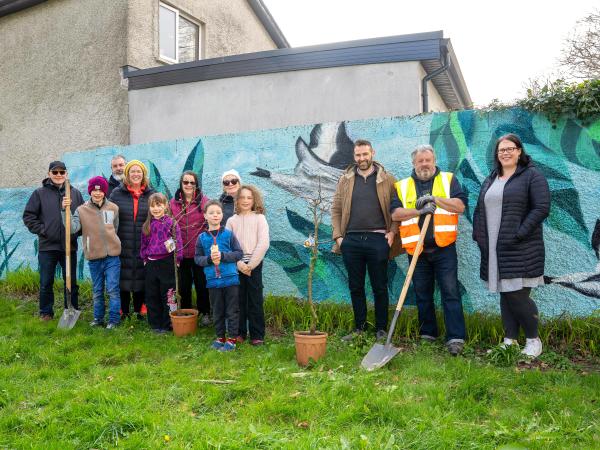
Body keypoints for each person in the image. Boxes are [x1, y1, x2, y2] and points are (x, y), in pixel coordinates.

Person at [472, 134, 550, 358]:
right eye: (501, 150)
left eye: (510, 148)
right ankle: (510, 341)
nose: (505, 153)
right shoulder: (491, 178)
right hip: (494, 250)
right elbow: (479, 210)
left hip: (520, 248)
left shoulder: (531, 176)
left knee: (517, 295)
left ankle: (534, 340)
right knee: (505, 294)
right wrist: (479, 236)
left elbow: (541, 208)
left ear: (519, 151)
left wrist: (520, 233)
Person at [390, 144, 467, 356]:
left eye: (428, 160)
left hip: (444, 248)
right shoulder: (402, 186)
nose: (424, 164)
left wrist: (435, 200)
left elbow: (460, 206)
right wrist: (418, 209)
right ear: (414, 163)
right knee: (422, 293)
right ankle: (428, 334)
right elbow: (395, 214)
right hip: (417, 250)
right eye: (420, 161)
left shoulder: (448, 180)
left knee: (450, 292)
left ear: (434, 160)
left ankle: (455, 337)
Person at [331, 139, 401, 342]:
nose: (362, 158)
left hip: (378, 239)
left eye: (365, 154)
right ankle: (359, 329)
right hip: (351, 240)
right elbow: (336, 209)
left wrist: (392, 233)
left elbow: (396, 209)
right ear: (354, 157)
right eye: (358, 155)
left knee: (380, 286)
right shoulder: (345, 179)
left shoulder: (387, 179)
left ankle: (381, 329)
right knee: (355, 286)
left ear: (372, 153)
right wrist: (338, 237)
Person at [23, 161, 84, 321]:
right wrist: (44, 231)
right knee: (46, 281)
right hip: (47, 247)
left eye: (61, 172)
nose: (58, 175)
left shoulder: (75, 193)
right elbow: (29, 216)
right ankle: (46, 312)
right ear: (49, 173)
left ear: (66, 174)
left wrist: (77, 233)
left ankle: (71, 311)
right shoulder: (39, 194)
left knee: (71, 282)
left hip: (69, 246)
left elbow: (83, 216)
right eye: (55, 172)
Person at [65, 176, 121, 329]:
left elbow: (115, 228)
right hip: (94, 257)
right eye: (94, 191)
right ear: (90, 191)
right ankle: (98, 319)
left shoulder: (113, 208)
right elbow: (72, 228)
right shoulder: (81, 210)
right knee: (97, 290)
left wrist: (111, 243)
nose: (98, 193)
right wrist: (66, 211)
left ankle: (114, 320)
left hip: (112, 257)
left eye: (101, 190)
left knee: (113, 289)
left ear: (104, 191)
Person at [109, 160, 156, 320]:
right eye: (132, 171)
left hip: (144, 242)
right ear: (127, 174)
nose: (136, 174)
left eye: (139, 171)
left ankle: (139, 308)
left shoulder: (151, 194)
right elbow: (109, 216)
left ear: (143, 175)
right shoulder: (117, 193)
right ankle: (123, 310)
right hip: (123, 240)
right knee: (123, 274)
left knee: (141, 274)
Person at [195, 201, 243, 351]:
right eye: (211, 213)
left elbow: (238, 253)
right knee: (217, 310)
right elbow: (197, 258)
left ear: (222, 215)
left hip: (230, 280)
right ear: (205, 216)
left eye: (218, 212)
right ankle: (220, 337)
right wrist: (209, 259)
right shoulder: (202, 238)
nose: (215, 215)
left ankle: (232, 339)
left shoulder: (228, 235)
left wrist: (223, 256)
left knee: (232, 310)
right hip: (213, 281)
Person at [226, 185, 270, 345]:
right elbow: (226, 245)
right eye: (242, 197)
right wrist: (239, 264)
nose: (245, 200)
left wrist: (250, 265)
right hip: (236, 265)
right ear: (237, 200)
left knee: (255, 299)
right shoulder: (231, 221)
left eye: (249, 198)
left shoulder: (260, 218)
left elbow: (263, 243)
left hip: (254, 265)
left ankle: (257, 334)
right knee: (237, 300)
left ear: (254, 200)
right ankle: (239, 332)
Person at [169, 171, 211, 324]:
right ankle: (187, 313)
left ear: (196, 185)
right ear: (181, 184)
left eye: (192, 183)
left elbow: (209, 225)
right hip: (180, 253)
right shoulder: (172, 203)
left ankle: (205, 312)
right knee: (184, 286)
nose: (188, 185)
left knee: (202, 284)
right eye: (185, 182)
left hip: (199, 253)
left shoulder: (204, 202)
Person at [140, 193, 183, 333]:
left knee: (169, 294)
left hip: (167, 262)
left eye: (159, 205)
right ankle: (155, 324)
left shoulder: (171, 223)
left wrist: (177, 259)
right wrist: (145, 259)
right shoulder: (147, 225)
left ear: (165, 206)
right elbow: (144, 245)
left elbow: (179, 243)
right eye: (153, 206)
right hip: (151, 264)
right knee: (152, 295)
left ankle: (169, 323)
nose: (156, 209)